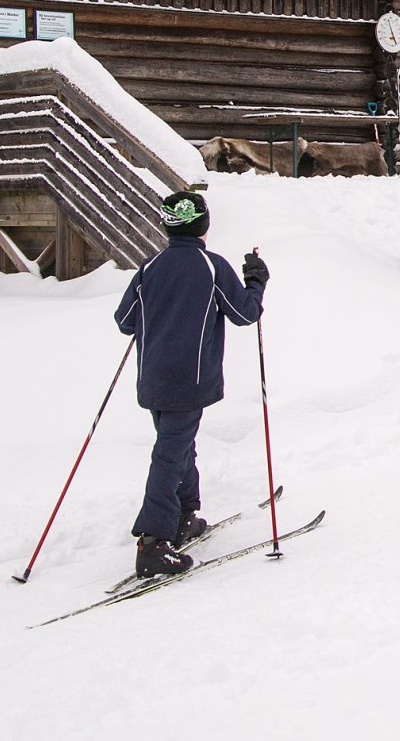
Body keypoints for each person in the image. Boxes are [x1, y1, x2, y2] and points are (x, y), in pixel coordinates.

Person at [114, 191, 268, 578]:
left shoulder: (150, 267)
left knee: (178, 446)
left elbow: (125, 320)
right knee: (170, 453)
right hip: (190, 379)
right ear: (204, 224)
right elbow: (244, 314)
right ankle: (153, 541)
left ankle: (184, 514)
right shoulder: (211, 267)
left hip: (153, 379)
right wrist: (256, 281)